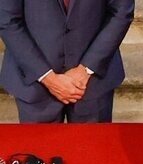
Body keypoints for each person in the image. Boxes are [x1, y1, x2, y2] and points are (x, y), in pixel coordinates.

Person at [0, 0, 134, 123]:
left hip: (91, 81)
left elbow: (121, 13)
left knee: (91, 148)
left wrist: (85, 69)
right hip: (34, 81)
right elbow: (7, 20)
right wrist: (47, 77)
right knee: (37, 148)